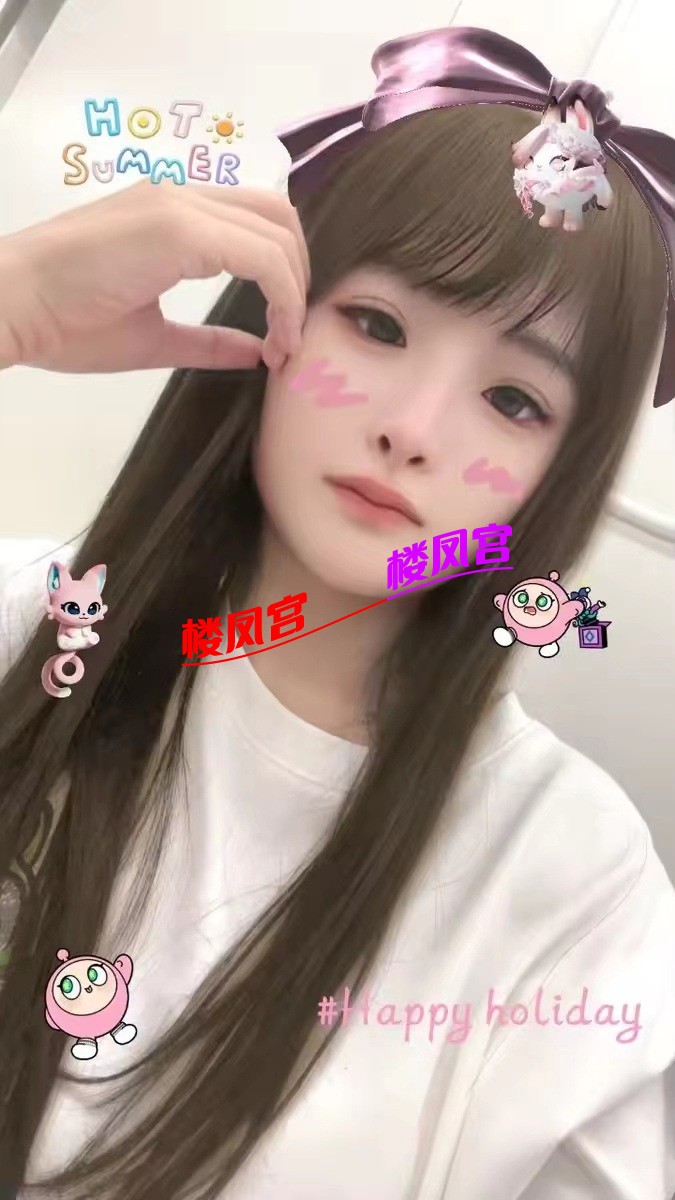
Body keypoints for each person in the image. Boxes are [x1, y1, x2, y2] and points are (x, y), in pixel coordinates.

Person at [0, 23, 674, 1200]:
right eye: (378, 326)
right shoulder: (28, 621)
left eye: (514, 400)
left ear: (559, 480)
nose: (412, 428)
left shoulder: (575, 881)